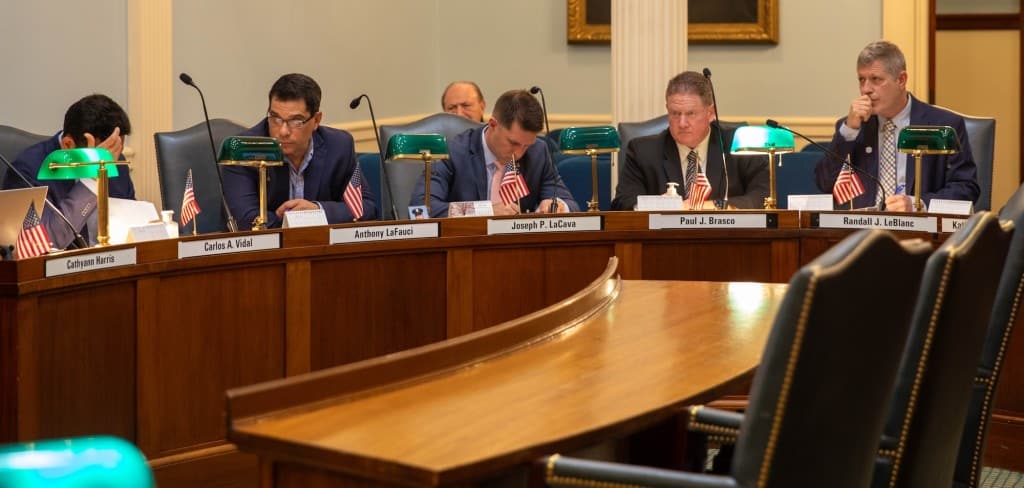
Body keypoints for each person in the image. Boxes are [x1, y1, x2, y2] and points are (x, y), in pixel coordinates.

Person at [814, 40, 979, 211]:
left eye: (875, 79)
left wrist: (917, 205)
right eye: (862, 80)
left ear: (901, 80)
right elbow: (825, 183)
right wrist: (849, 130)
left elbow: (966, 188)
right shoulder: (854, 127)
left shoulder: (944, 125)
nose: (866, 89)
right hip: (863, 224)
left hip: (918, 224)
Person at [223, 73, 376, 228]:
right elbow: (245, 219)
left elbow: (366, 208)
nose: (283, 131)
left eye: (295, 121)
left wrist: (317, 210)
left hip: (322, 242)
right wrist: (306, 220)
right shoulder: (243, 149)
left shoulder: (339, 145)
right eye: (276, 118)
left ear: (316, 120)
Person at [611, 71, 769, 211]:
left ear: (710, 113)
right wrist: (658, 205)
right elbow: (623, 203)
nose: (682, 123)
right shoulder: (643, 151)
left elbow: (764, 196)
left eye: (691, 114)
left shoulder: (739, 145)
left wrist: (709, 206)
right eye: (675, 113)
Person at [410, 89, 578, 217]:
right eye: (513, 143)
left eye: (526, 145)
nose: (519, 154)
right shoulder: (452, 152)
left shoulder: (538, 151)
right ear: (492, 125)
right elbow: (420, 209)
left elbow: (571, 204)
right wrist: (485, 211)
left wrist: (557, 206)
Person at [3, 94, 135, 249]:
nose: (109, 161)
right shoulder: (27, 170)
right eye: (102, 154)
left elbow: (132, 224)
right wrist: (92, 179)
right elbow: (46, 241)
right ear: (68, 145)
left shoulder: (114, 159)